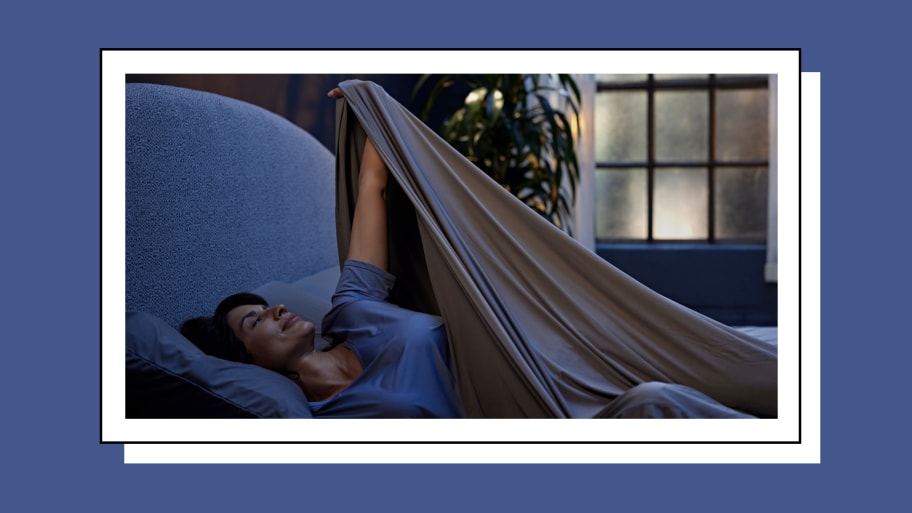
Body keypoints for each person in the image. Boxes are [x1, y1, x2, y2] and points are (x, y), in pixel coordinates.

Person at [181, 86, 759, 419]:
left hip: (542, 374)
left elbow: (374, 186)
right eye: (256, 319)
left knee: (681, 389)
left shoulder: (351, 311)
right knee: (658, 405)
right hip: (527, 429)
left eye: (268, 304)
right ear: (248, 362)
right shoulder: (331, 421)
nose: (278, 310)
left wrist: (368, 108)